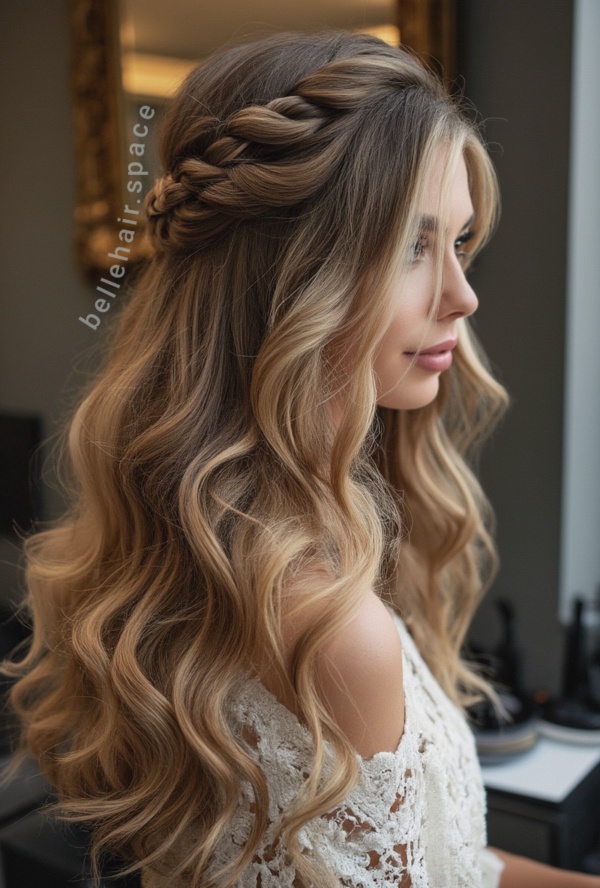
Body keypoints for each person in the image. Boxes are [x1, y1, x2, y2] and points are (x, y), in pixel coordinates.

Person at [6, 30, 599, 888]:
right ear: (296, 275)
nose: (464, 296)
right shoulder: (329, 624)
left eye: (460, 244)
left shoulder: (210, 544)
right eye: (412, 245)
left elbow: (452, 868)